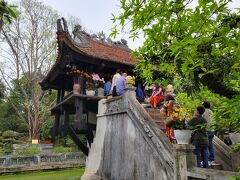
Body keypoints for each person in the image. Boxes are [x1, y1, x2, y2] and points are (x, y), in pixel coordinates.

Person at [202, 101, 215, 166]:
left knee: (205, 146)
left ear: (204, 106)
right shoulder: (212, 112)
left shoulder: (204, 112)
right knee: (210, 145)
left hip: (206, 131)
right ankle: (212, 159)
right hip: (212, 131)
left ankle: (206, 160)